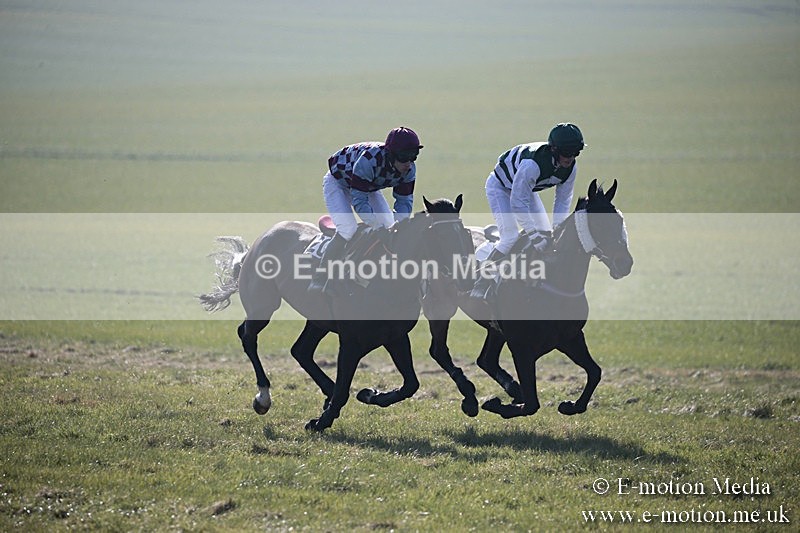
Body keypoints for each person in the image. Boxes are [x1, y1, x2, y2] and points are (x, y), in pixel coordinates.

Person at [470, 122, 585, 300]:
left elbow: (563, 199)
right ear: (554, 149)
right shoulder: (532, 165)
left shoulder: (571, 168)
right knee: (510, 237)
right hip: (500, 187)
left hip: (525, 189)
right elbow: (517, 203)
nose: (570, 158)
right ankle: (483, 280)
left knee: (547, 234)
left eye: (576, 152)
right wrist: (533, 235)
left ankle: (535, 279)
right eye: (567, 153)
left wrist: (558, 228)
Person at [308, 126, 423, 293]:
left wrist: (401, 226)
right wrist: (376, 226)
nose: (409, 163)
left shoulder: (409, 170)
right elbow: (359, 201)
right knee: (348, 229)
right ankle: (321, 276)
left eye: (414, 157)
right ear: (391, 154)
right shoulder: (369, 161)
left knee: (390, 225)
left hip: (368, 185)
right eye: (404, 157)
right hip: (338, 183)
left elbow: (404, 202)